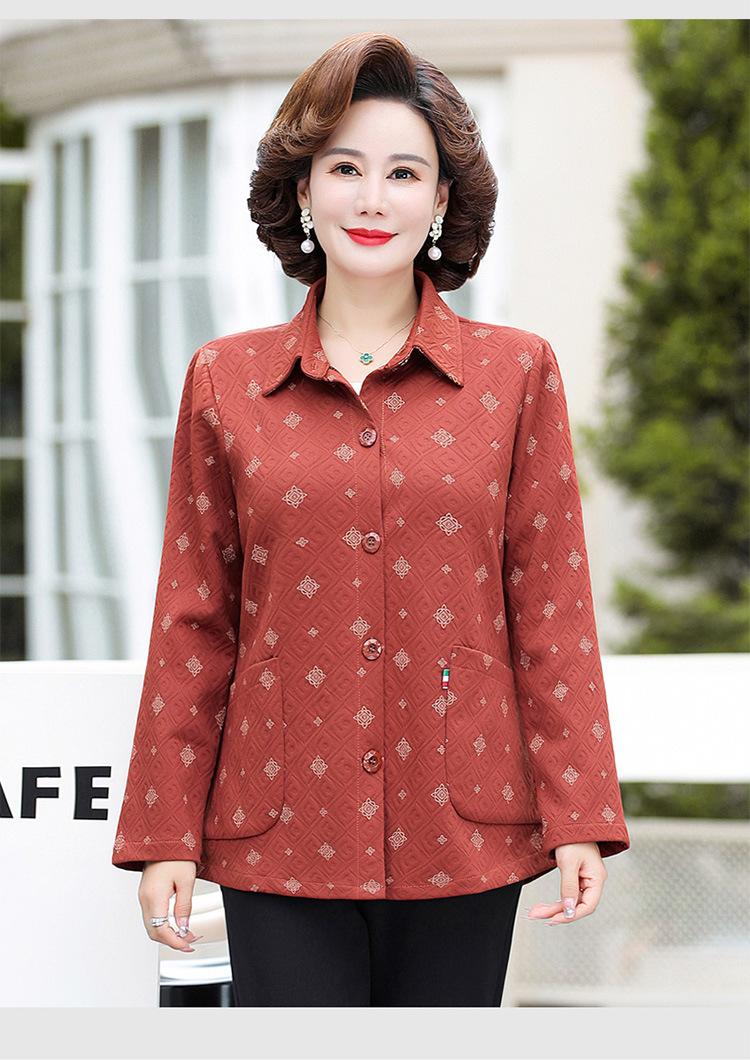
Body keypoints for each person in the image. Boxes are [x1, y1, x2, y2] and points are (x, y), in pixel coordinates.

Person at [111, 31, 631, 1007]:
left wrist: (579, 812)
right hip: (276, 828)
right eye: (345, 168)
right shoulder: (225, 380)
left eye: (403, 173)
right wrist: (164, 832)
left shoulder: (517, 374)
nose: (372, 198)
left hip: (466, 828)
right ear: (304, 190)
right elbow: (194, 618)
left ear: (440, 201)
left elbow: (551, 609)